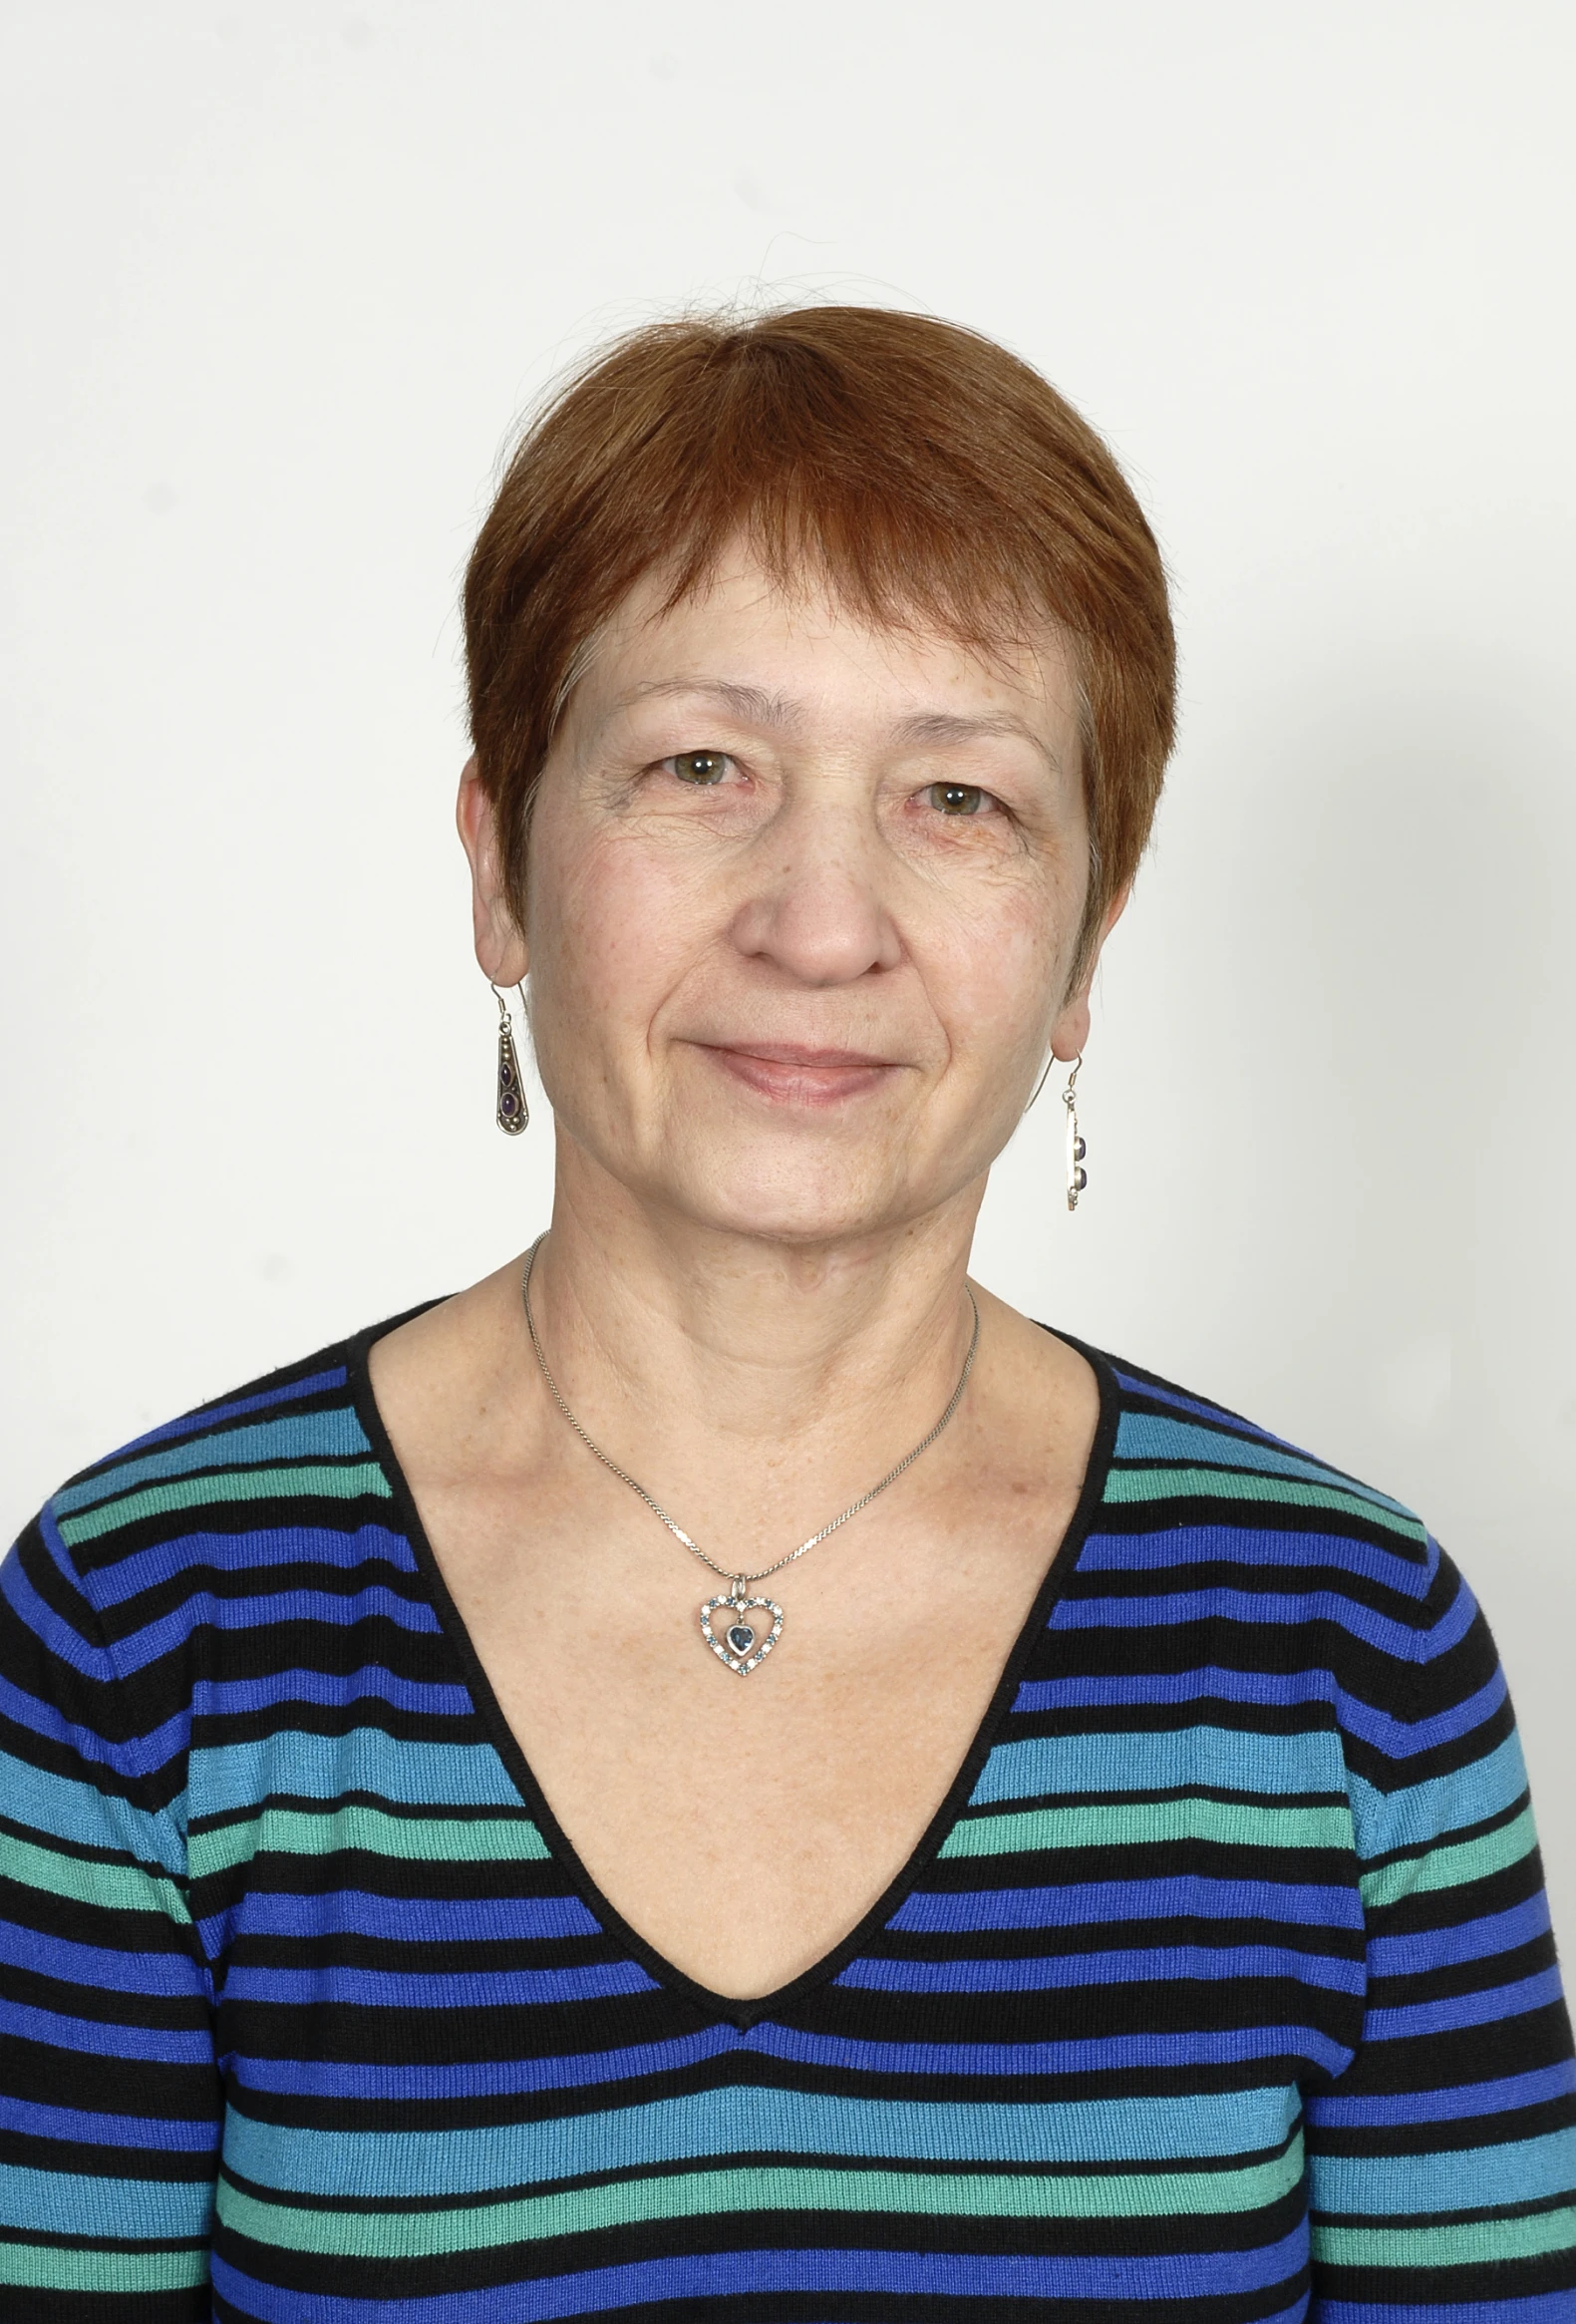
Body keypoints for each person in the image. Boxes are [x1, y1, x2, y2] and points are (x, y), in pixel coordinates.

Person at [1, 306, 1572, 2324]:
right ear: (499, 870)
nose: (819, 922)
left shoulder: (1340, 1652)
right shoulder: (152, 1631)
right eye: (701, 765)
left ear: (1086, 939)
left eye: (960, 799)